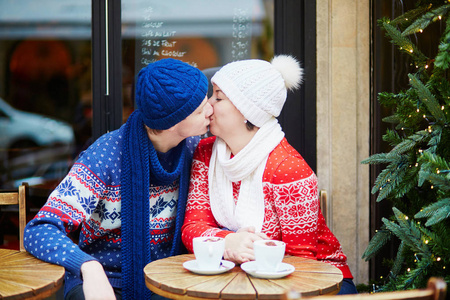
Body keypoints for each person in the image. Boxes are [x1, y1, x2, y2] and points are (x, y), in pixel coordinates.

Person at [24, 58, 213, 300]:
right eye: (200, 109)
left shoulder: (197, 149)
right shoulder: (105, 157)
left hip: (169, 276)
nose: (210, 111)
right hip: (104, 277)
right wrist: (88, 266)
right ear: (171, 123)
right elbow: (40, 229)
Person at [181, 55, 358, 294]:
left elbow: (301, 262)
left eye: (218, 97)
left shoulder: (288, 169)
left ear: (247, 111)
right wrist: (228, 241)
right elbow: (192, 227)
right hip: (238, 278)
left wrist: (235, 248)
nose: (208, 105)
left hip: (316, 282)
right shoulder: (205, 153)